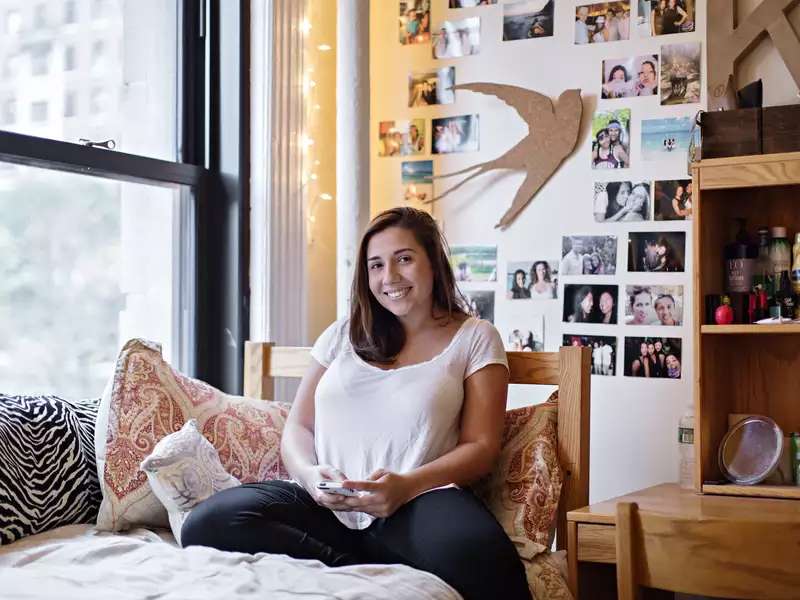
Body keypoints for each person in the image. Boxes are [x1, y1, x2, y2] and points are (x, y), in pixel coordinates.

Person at [181, 207, 532, 600]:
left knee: (488, 564)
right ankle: (352, 572)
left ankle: (378, 557)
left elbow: (481, 447)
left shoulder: (476, 337)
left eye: (404, 259)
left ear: (433, 262)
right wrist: (311, 476)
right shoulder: (341, 334)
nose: (390, 277)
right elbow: (299, 427)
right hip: (325, 504)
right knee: (207, 522)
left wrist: (406, 486)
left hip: (418, 500)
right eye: (376, 265)